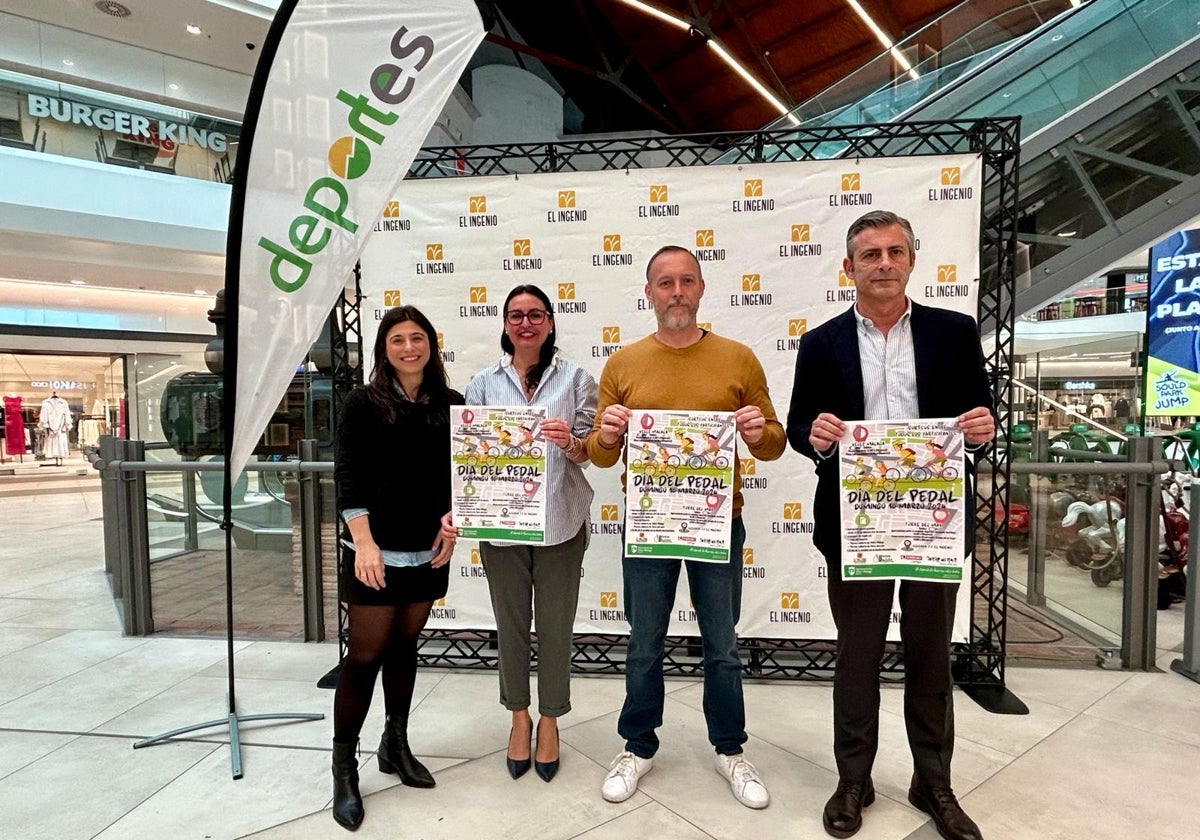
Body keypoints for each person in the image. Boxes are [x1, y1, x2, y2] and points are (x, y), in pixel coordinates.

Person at [786, 210, 995, 840]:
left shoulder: (955, 333)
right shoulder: (819, 342)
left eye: (894, 251)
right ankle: (855, 778)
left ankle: (933, 780)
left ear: (912, 259)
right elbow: (799, 427)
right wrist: (817, 436)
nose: (883, 263)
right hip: (857, 526)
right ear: (848, 267)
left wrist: (982, 432)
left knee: (932, 657)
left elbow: (978, 418)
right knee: (857, 657)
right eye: (869, 254)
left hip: (933, 521)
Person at [585, 245, 786, 810]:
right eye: (664, 282)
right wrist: (605, 435)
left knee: (722, 646)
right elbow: (602, 459)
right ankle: (637, 744)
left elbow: (774, 444)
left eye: (686, 281)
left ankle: (730, 748)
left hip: (719, 525)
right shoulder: (623, 363)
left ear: (701, 289)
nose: (676, 292)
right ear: (647, 292)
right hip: (648, 526)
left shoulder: (739, 358)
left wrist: (755, 430)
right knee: (644, 643)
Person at [330, 305, 460, 831]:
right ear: (384, 348)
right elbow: (348, 474)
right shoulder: (362, 403)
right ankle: (343, 768)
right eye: (398, 339)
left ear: (431, 343)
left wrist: (454, 521)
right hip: (373, 551)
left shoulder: (451, 405)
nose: (410, 347)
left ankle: (395, 744)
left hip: (426, 550)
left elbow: (462, 475)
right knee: (364, 657)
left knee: (405, 647)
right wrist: (363, 543)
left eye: (418, 337)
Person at [465, 284, 597, 783]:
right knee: (511, 625)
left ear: (549, 322)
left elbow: (591, 453)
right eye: (516, 314)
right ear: (504, 323)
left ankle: (549, 721)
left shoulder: (578, 379)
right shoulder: (481, 383)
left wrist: (572, 443)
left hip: (561, 522)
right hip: (501, 525)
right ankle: (518, 717)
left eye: (536, 314)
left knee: (557, 626)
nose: (526, 323)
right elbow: (472, 457)